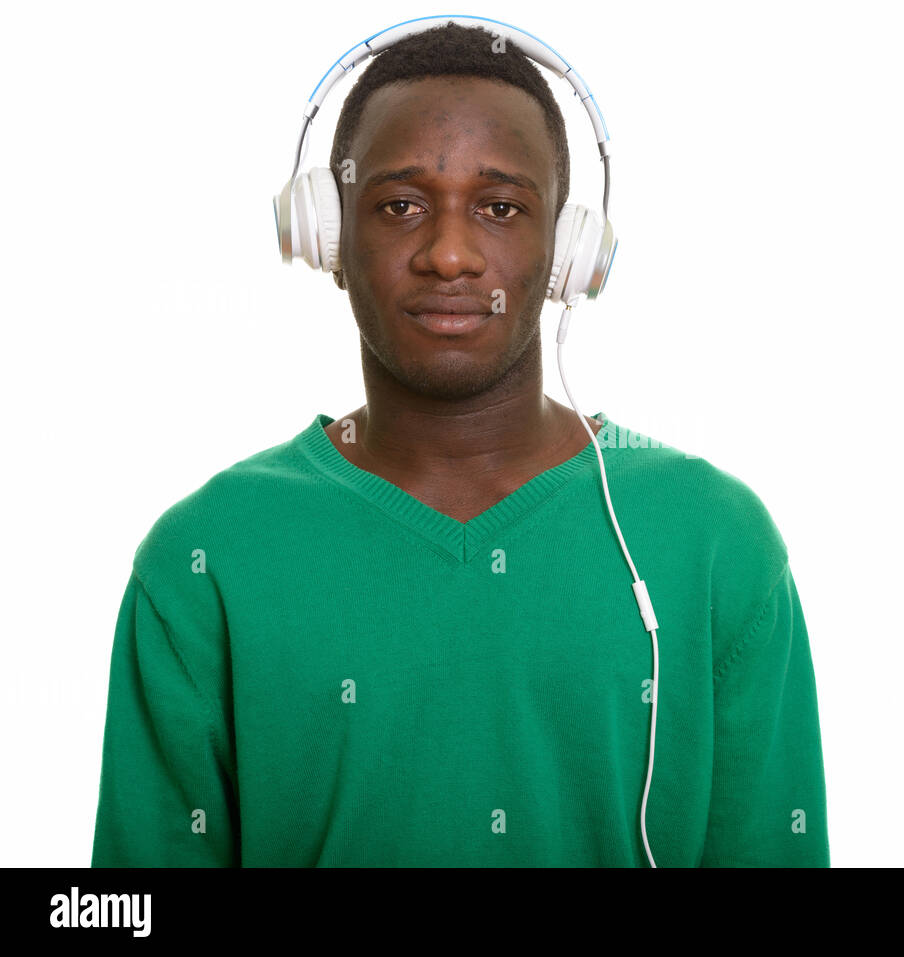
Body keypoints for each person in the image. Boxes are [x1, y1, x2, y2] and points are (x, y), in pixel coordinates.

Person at [91, 21, 829, 867]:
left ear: (567, 252)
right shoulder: (204, 558)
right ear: (327, 237)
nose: (449, 253)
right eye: (400, 205)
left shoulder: (715, 543)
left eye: (501, 207)